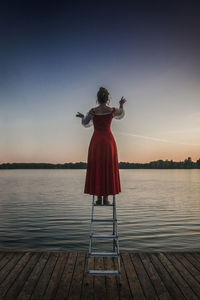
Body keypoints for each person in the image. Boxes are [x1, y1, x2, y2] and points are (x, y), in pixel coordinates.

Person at [76, 87, 126, 205]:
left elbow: (85, 123)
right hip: (109, 142)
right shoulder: (112, 110)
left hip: (96, 142)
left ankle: (98, 198)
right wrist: (121, 104)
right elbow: (121, 113)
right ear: (107, 98)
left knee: (97, 166)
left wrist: (83, 116)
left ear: (97, 99)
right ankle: (106, 198)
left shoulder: (93, 111)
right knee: (108, 167)